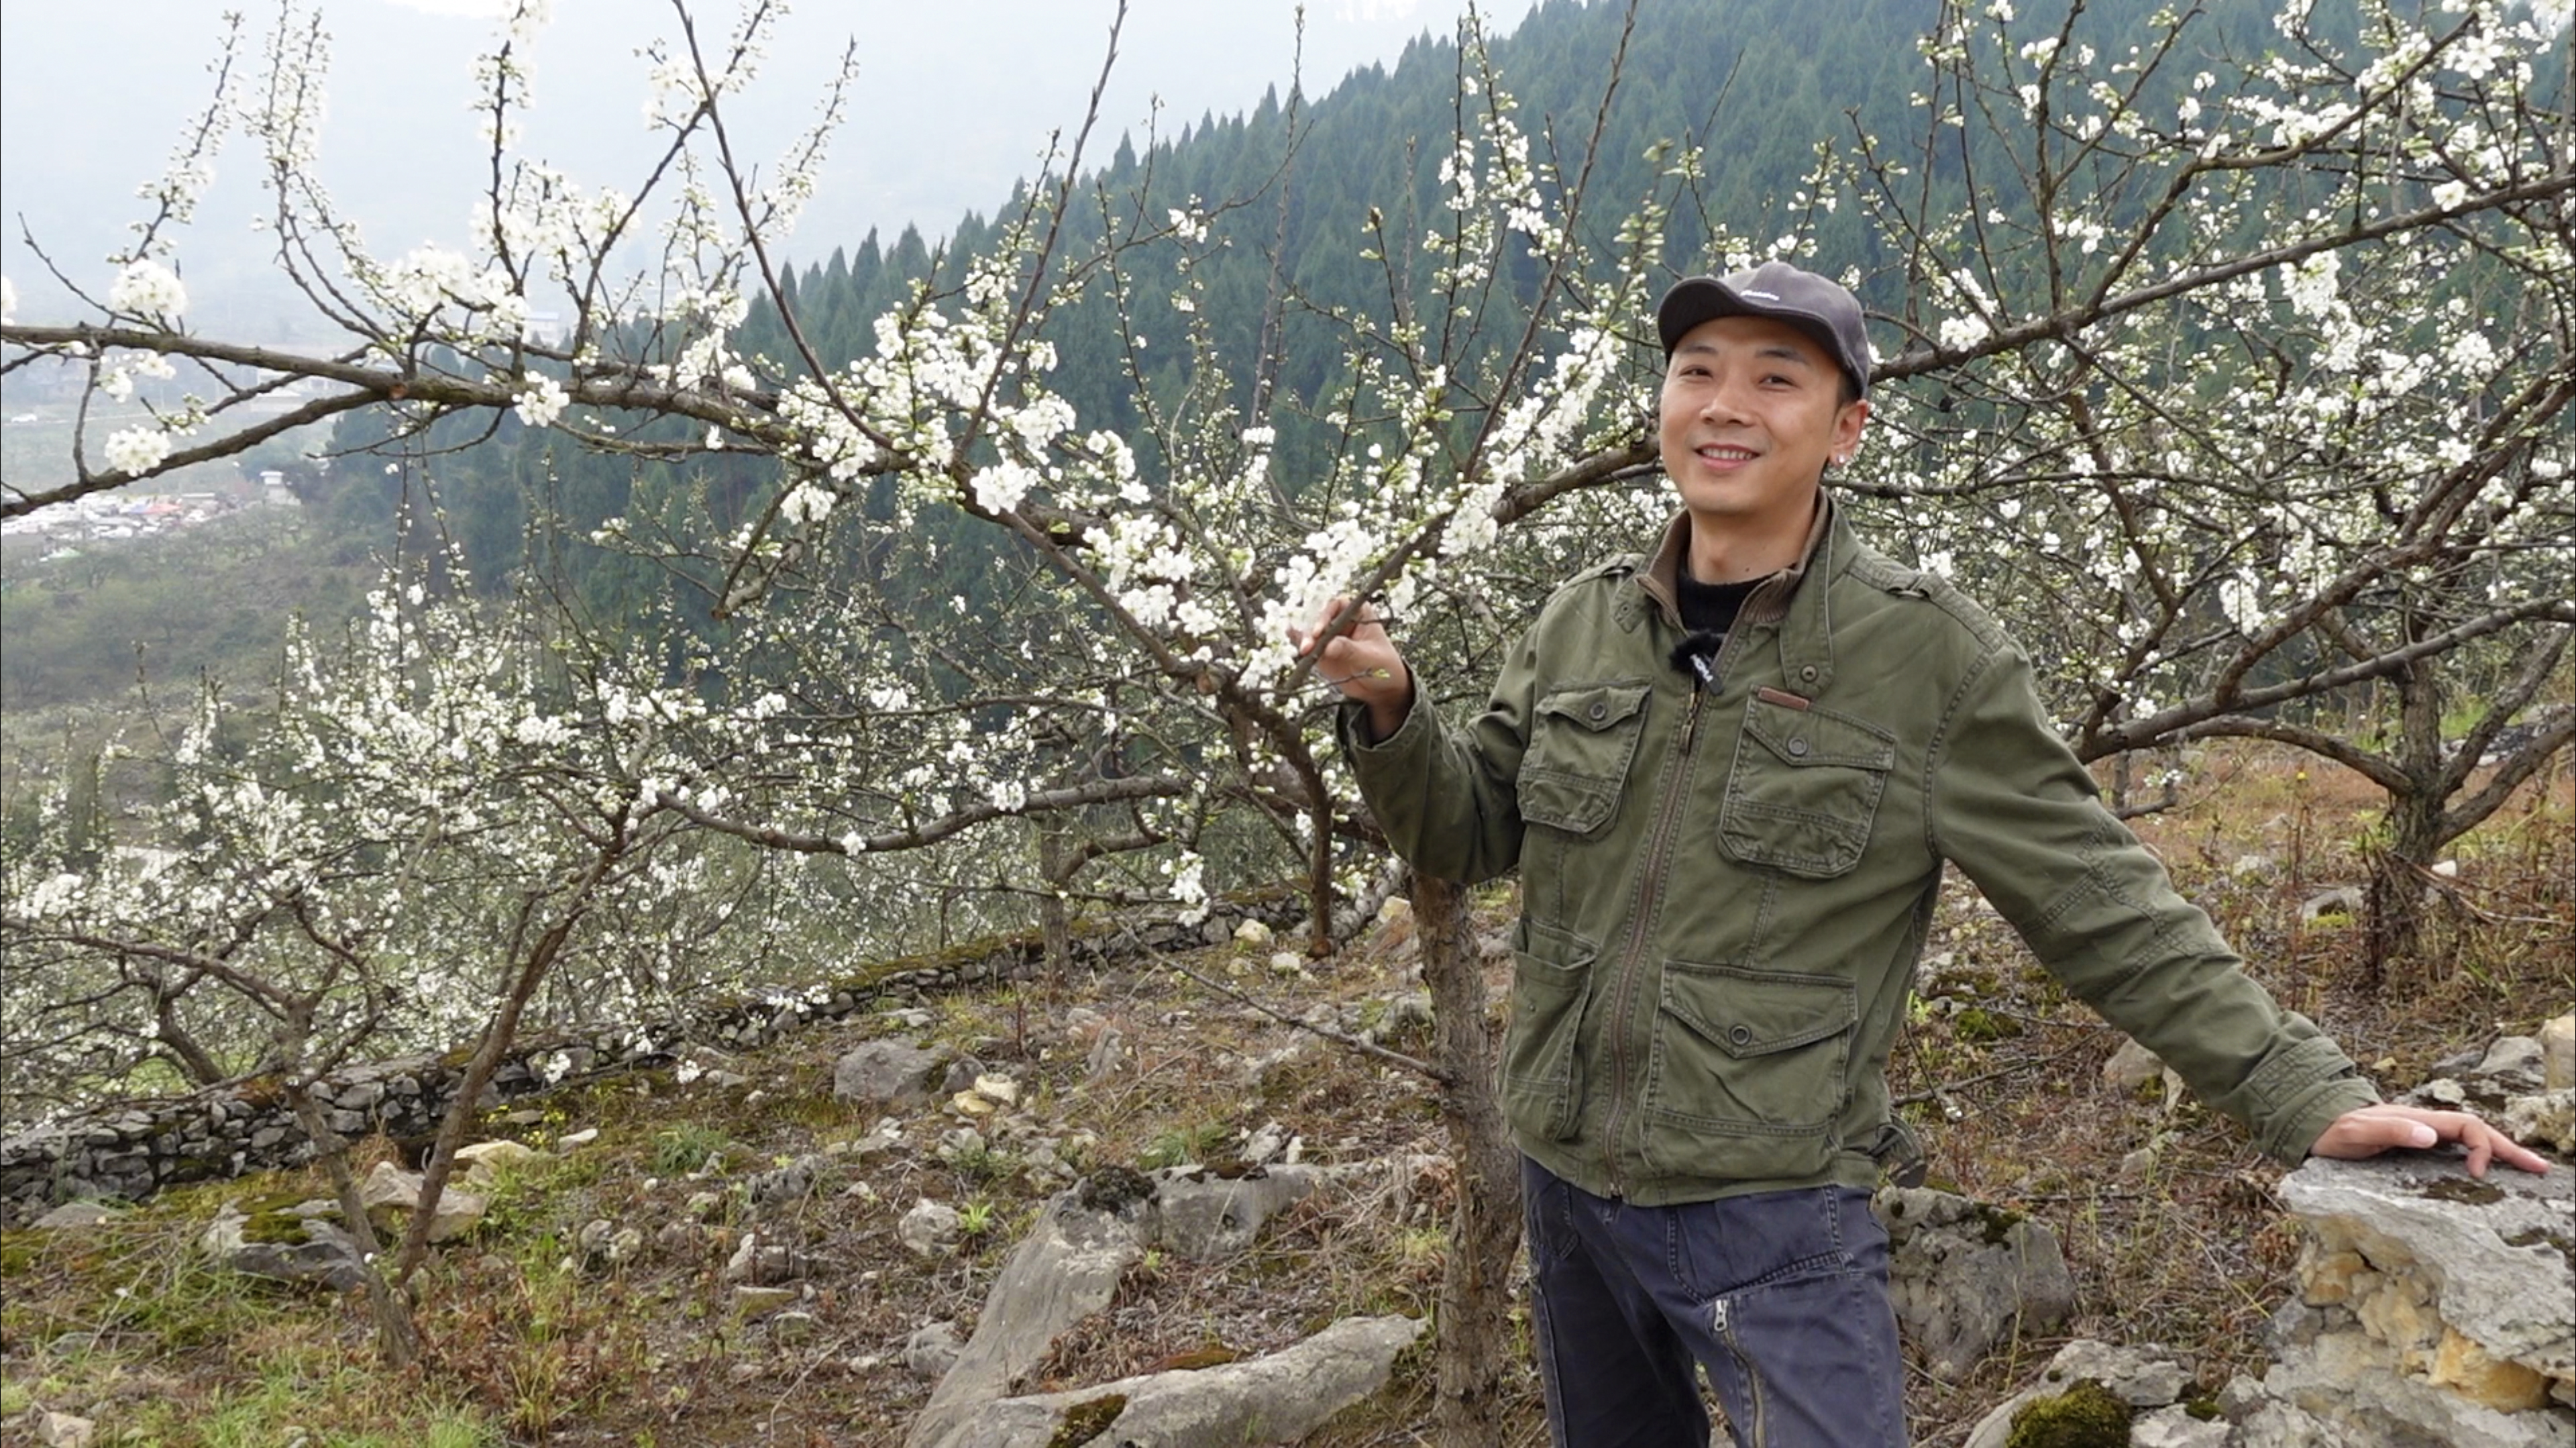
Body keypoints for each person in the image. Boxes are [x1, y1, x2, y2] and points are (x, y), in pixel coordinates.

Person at [1293, 260, 2548, 1448]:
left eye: (1777, 377)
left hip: (1770, 1209)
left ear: (1846, 428)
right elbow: (1470, 831)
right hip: (1567, 1192)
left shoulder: (1930, 660)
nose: (1726, 405)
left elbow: (2100, 902)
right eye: (1698, 369)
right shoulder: (1579, 622)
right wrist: (1396, 706)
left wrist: (2305, 1094)